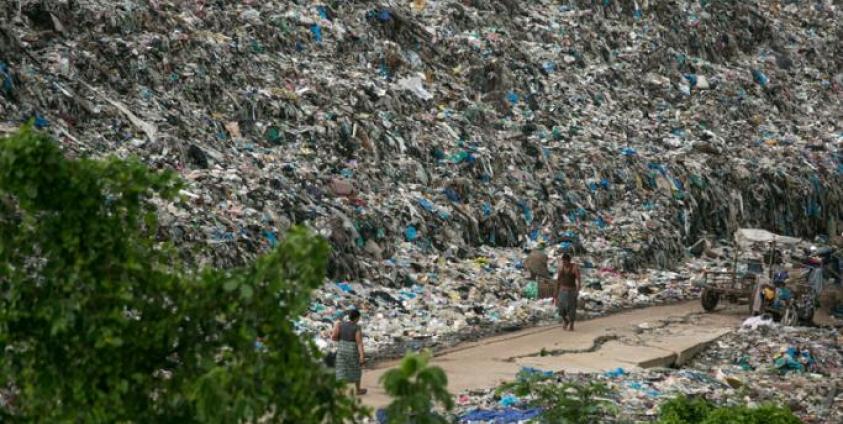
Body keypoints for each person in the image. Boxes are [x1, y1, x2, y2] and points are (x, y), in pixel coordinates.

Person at [332, 309, 367, 395]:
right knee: (356, 369)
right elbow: (359, 343)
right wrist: (362, 356)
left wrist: (342, 340)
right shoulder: (357, 327)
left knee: (341, 369)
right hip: (352, 350)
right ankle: (358, 390)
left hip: (341, 349)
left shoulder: (340, 324)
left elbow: (334, 337)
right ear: (357, 318)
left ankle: (339, 391)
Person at [553, 253, 581, 331]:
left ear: (569, 261)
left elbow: (578, 280)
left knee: (572, 308)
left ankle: (571, 324)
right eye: (563, 261)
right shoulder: (561, 267)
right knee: (561, 309)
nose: (564, 263)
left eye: (566, 261)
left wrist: (578, 289)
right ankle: (566, 320)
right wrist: (556, 291)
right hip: (562, 290)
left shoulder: (574, 268)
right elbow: (558, 280)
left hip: (571, 291)